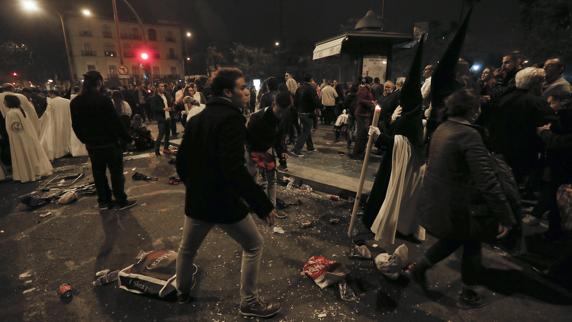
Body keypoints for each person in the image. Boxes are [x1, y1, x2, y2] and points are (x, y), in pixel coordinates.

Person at [175, 68, 281, 318]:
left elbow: (181, 162)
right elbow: (234, 168)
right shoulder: (231, 120)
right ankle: (250, 302)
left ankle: (182, 293)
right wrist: (263, 205)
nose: (247, 92)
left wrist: (194, 185)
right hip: (224, 202)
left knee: (186, 250)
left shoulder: (197, 118)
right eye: (242, 87)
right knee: (254, 245)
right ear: (226, 92)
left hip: (198, 200)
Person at [409, 89, 516, 309]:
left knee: (456, 238)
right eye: (477, 108)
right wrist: (505, 215)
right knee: (472, 241)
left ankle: (420, 267)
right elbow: (486, 179)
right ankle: (468, 291)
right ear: (472, 110)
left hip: (441, 199)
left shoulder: (443, 127)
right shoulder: (469, 134)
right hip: (461, 204)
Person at [70, 71, 136, 211]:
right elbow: (115, 122)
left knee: (98, 174)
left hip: (92, 145)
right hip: (110, 143)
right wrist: (128, 139)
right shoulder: (103, 100)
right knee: (116, 173)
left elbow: (75, 125)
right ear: (99, 82)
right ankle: (120, 200)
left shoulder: (76, 102)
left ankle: (104, 201)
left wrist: (85, 139)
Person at [487, 67, 555, 183]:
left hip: (499, 151)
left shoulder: (503, 98)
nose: (544, 85)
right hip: (525, 155)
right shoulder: (537, 103)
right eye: (543, 81)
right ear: (535, 84)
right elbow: (549, 127)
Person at [246, 91, 290, 213]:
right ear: (274, 103)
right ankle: (252, 204)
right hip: (254, 150)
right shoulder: (257, 118)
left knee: (272, 179)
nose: (281, 115)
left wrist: (281, 152)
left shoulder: (283, 116)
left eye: (284, 112)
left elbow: (279, 138)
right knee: (253, 178)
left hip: (267, 149)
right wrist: (256, 157)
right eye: (279, 111)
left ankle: (271, 207)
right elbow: (248, 139)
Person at [4, 94, 53, 182]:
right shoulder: (19, 110)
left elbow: (16, 126)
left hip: (19, 139)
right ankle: (34, 172)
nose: (4, 103)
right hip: (25, 137)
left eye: (5, 101)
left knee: (24, 155)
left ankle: (28, 174)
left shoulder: (12, 113)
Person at [39, 90, 74, 160]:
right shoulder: (67, 101)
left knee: (56, 137)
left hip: (54, 122)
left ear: (52, 94)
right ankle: (68, 149)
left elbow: (47, 114)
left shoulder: (51, 102)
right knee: (67, 136)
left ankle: (59, 152)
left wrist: (40, 121)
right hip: (66, 121)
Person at [291, 75, 320, 157]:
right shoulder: (311, 89)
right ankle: (296, 150)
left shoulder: (299, 88)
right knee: (305, 132)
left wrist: (298, 110)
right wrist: (321, 107)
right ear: (311, 80)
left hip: (300, 113)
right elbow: (315, 101)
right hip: (308, 113)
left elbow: (295, 101)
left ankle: (310, 147)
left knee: (306, 130)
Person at [351, 84, 375, 158]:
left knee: (362, 135)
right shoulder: (364, 90)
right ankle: (357, 153)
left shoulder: (364, 90)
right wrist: (371, 103)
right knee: (361, 135)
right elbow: (361, 100)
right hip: (362, 115)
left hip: (363, 115)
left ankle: (359, 152)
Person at [150, 83, 174, 156]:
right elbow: (154, 108)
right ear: (157, 88)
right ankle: (156, 150)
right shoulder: (155, 97)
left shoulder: (166, 95)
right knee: (161, 134)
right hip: (161, 118)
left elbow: (169, 104)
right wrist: (163, 109)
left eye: (163, 86)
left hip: (168, 117)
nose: (163, 87)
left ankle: (166, 148)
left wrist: (170, 107)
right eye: (161, 86)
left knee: (167, 134)